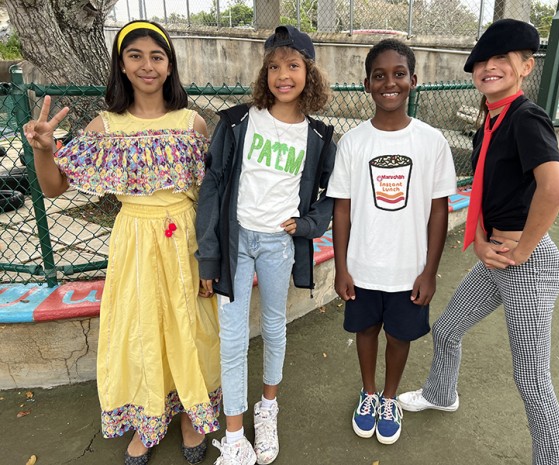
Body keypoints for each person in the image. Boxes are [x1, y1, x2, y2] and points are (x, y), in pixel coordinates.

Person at [23, 21, 221, 465]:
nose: (147, 65)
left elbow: (211, 195)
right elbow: (55, 188)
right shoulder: (106, 125)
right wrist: (44, 149)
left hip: (185, 240)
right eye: (135, 56)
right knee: (141, 328)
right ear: (122, 66)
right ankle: (149, 419)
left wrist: (211, 256)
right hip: (134, 241)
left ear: (169, 66)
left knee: (190, 327)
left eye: (157, 56)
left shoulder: (191, 122)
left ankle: (191, 415)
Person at [398, 19, 559, 465]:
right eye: (481, 61)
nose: (488, 67)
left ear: (526, 66)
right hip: (494, 256)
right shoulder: (490, 122)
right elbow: (481, 190)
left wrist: (523, 249)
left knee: (532, 379)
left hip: (526, 264)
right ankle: (441, 393)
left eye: (501, 59)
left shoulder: (526, 118)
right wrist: (477, 239)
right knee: (447, 329)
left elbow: (555, 187)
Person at [195, 25, 336, 464]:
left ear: (309, 74)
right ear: (264, 74)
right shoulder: (238, 121)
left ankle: (268, 407)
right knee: (233, 338)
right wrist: (208, 257)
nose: (282, 75)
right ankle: (235, 437)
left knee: (275, 327)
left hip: (279, 243)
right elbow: (213, 186)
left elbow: (333, 192)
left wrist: (310, 223)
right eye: (273, 66)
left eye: (293, 65)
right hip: (235, 241)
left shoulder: (317, 136)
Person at [327, 38, 457, 445]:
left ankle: (388, 398)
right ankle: (368, 393)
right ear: (366, 84)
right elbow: (342, 210)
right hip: (363, 267)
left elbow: (439, 210)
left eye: (399, 74)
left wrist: (429, 271)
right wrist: (342, 267)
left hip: (409, 270)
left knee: (399, 336)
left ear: (413, 80)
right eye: (379, 76)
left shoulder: (432, 141)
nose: (389, 83)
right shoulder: (353, 142)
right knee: (366, 330)